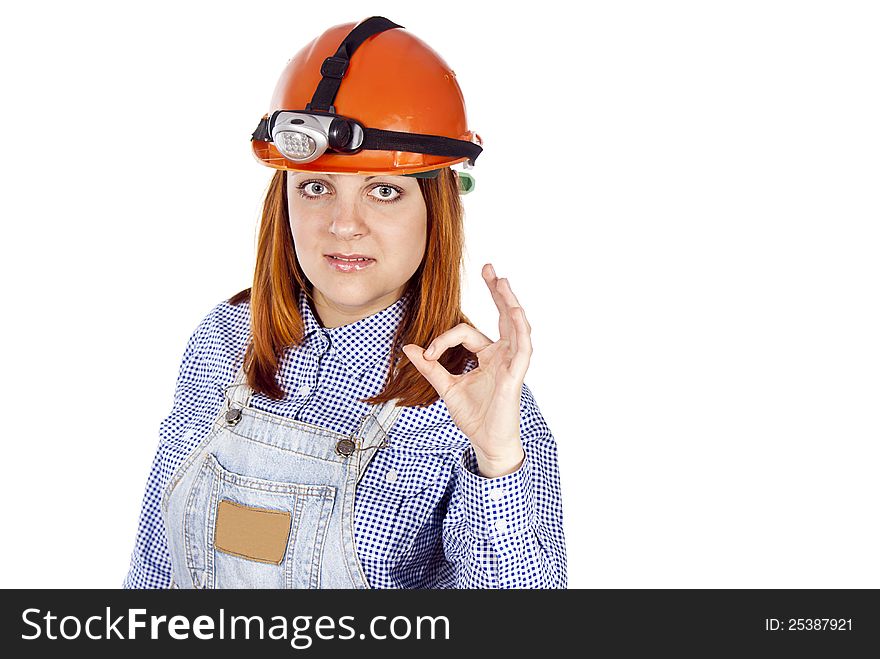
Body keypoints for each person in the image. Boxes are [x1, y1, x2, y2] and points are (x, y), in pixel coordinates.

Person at [123, 16, 566, 589]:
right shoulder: (224, 337)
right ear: (282, 199)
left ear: (439, 208)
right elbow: (155, 568)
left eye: (384, 191)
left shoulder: (478, 398)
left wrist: (499, 461)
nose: (344, 225)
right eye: (316, 186)